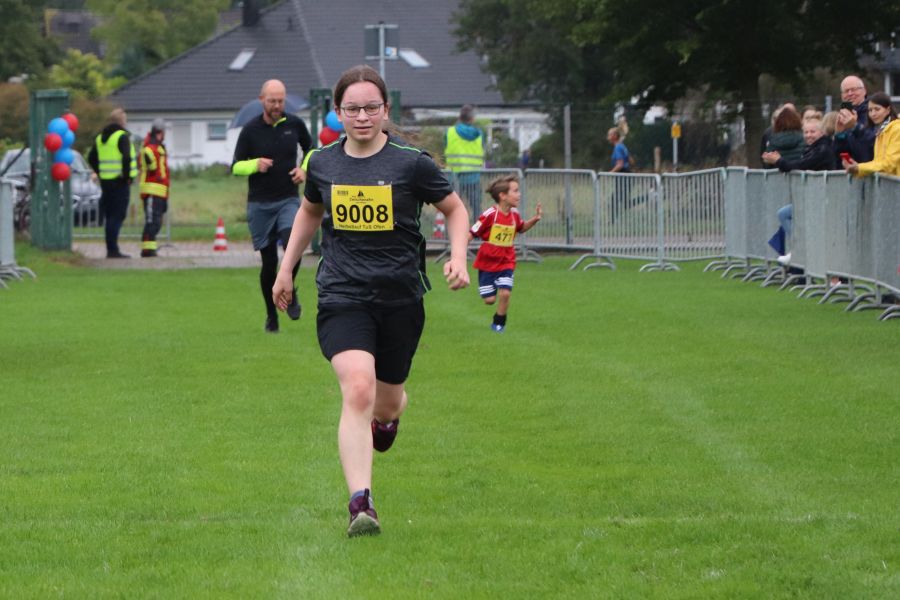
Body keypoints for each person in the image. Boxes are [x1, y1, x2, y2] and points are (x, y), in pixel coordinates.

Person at [271, 65, 470, 537]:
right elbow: (309, 212)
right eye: (353, 109)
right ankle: (361, 503)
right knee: (358, 388)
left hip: (400, 297)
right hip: (342, 293)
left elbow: (455, 209)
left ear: (385, 110)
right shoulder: (323, 163)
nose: (362, 116)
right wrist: (286, 267)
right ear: (338, 112)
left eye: (371, 108)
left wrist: (459, 257)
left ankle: (387, 419)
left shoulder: (411, 164)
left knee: (387, 402)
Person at [231, 79, 312, 333]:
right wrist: (254, 164)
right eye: (272, 101)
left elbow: (311, 149)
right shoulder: (250, 130)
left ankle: (290, 290)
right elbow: (235, 166)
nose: (277, 105)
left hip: (288, 199)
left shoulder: (295, 124)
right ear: (262, 100)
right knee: (268, 264)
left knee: (292, 247)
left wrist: (304, 169)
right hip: (259, 204)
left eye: (280, 101)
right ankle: (271, 315)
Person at [469, 174, 542, 333]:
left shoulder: (514, 214)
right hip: (487, 262)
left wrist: (535, 219)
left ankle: (499, 323)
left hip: (507, 260)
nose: (519, 194)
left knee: (506, 293)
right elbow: (472, 232)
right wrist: (459, 252)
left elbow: (521, 228)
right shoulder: (490, 214)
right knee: (489, 300)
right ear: (503, 196)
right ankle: (491, 286)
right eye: (515, 191)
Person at [761, 117, 836, 263]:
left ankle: (801, 251)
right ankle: (800, 249)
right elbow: (798, 164)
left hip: (822, 198)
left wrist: (779, 161)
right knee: (784, 214)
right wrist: (778, 161)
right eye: (806, 132)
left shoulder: (823, 149)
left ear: (821, 132)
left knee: (785, 214)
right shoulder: (812, 148)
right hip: (812, 196)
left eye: (812, 131)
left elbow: (800, 165)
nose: (808, 135)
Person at [87, 108, 136, 259]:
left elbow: (91, 157)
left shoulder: (100, 138)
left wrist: (100, 172)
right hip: (119, 182)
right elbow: (126, 157)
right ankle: (113, 250)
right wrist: (127, 176)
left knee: (110, 216)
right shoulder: (121, 136)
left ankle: (111, 248)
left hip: (106, 182)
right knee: (117, 215)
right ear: (122, 121)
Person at [843, 92, 900, 178]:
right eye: (870, 110)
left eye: (877, 109)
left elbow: (889, 164)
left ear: (888, 110)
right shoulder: (881, 131)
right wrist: (858, 168)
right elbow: (878, 163)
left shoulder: (896, 130)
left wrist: (859, 168)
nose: (873, 114)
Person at [444, 104, 485, 217]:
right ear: (472, 118)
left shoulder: (449, 132)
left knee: (452, 210)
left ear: (460, 117)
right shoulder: (479, 134)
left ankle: (454, 229)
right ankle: (477, 229)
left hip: (454, 177)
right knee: (476, 210)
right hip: (473, 177)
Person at [138, 119, 169, 257]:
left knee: (157, 222)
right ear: (160, 132)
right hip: (151, 190)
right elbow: (152, 167)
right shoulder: (149, 149)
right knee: (152, 221)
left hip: (161, 190)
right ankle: (147, 249)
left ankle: (150, 248)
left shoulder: (159, 148)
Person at [834, 75, 877, 163]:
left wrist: (855, 127)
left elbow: (873, 142)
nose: (850, 93)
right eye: (846, 91)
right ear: (841, 95)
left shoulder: (874, 113)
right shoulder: (843, 116)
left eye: (854, 89)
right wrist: (839, 135)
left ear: (864, 91)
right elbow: (838, 156)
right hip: (851, 169)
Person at [607, 126, 634, 223]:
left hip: (622, 174)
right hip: (627, 174)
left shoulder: (618, 147)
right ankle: (648, 196)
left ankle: (612, 220)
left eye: (609, 135)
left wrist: (609, 173)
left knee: (615, 200)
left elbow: (620, 164)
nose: (608, 137)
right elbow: (632, 161)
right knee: (625, 203)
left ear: (615, 136)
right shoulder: (622, 146)